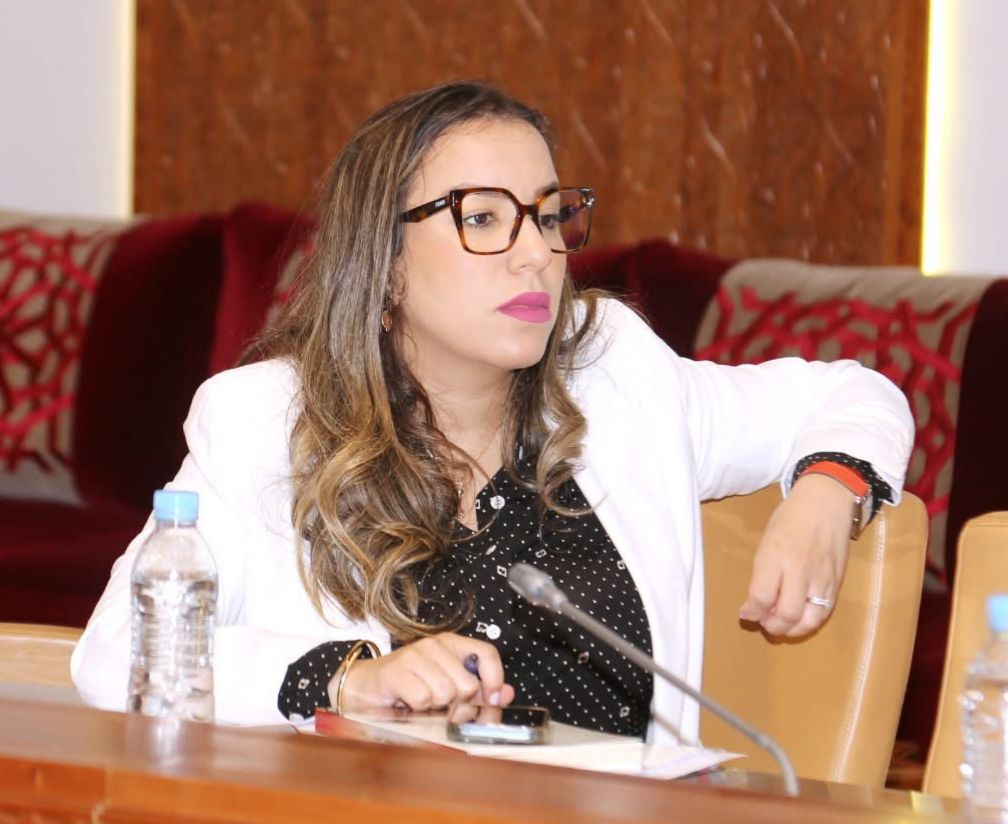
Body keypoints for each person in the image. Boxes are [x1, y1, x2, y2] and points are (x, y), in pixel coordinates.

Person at [71, 80, 914, 745]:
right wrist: (348, 677)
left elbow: (851, 393)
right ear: (384, 263)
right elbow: (118, 655)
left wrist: (826, 494)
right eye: (482, 218)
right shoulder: (263, 421)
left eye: (548, 216)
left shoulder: (614, 372)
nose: (536, 253)